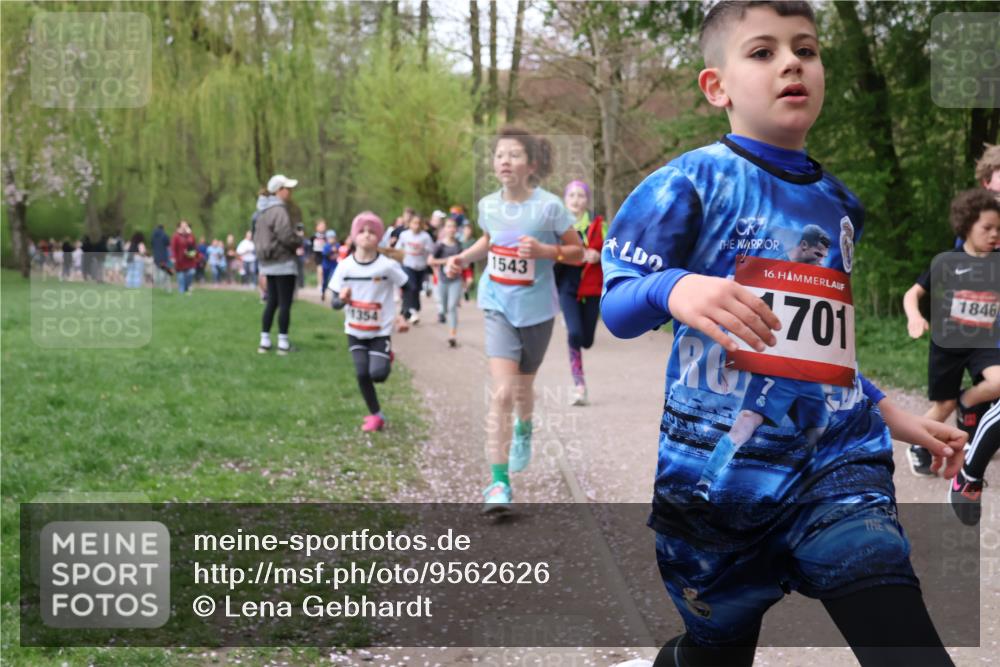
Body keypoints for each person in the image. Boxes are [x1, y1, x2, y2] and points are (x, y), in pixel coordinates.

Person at [600, 3, 968, 666]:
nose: (792, 62)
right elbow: (619, 306)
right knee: (714, 654)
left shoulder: (839, 204)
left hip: (837, 470)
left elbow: (822, 357)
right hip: (720, 490)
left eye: (806, 48)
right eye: (762, 52)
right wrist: (675, 288)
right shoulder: (687, 184)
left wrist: (898, 418)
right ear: (718, 87)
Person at [445, 126, 584, 513]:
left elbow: (577, 252)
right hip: (497, 305)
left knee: (523, 391)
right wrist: (462, 258)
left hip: (537, 312)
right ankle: (498, 484)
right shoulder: (489, 204)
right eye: (500, 154)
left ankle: (525, 427)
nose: (505, 160)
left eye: (514, 155)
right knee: (503, 392)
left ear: (532, 164)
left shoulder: (550, 207)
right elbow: (489, 241)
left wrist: (545, 250)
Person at [693, 224, 834, 501]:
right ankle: (705, 484)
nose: (822, 260)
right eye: (818, 254)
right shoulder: (768, 267)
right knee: (746, 422)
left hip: (805, 372)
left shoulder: (818, 278)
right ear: (804, 246)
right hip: (775, 369)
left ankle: (807, 492)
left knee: (818, 430)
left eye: (825, 256)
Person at [902, 189, 1000, 475]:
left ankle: (967, 401)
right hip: (948, 346)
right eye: (987, 228)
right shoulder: (947, 261)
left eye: (999, 229)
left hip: (983, 342)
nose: (995, 234)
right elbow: (913, 293)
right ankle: (917, 443)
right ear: (967, 225)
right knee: (942, 407)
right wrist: (915, 317)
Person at [329, 212, 410, 432]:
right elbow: (333, 302)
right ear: (354, 237)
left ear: (379, 237)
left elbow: (408, 285)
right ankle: (376, 415)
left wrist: (404, 314)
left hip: (380, 331)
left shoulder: (386, 266)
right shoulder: (345, 266)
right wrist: (341, 299)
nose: (366, 235)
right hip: (354, 329)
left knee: (378, 375)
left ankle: (385, 357)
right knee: (361, 373)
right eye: (362, 231)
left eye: (372, 232)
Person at [556, 180, 606, 406]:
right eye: (572, 196)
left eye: (581, 196)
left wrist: (598, 255)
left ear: (587, 200)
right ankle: (579, 386)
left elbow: (612, 250)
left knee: (587, 340)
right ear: (565, 201)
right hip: (567, 286)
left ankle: (574, 326)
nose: (576, 200)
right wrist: (568, 255)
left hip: (592, 287)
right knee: (574, 334)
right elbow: (552, 254)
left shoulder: (598, 225)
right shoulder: (558, 226)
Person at [254, 174, 302, 354]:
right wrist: (298, 240)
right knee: (285, 303)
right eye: (287, 189)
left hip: (268, 262)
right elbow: (285, 236)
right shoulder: (279, 210)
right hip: (283, 262)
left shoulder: (262, 211)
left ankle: (264, 340)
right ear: (278, 191)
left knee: (272, 301)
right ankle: (283, 342)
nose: (290, 192)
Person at [428, 216, 464, 347]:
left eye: (454, 227)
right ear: (445, 229)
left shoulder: (459, 245)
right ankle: (444, 319)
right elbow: (430, 261)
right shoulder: (440, 245)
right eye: (449, 226)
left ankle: (452, 335)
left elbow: (464, 262)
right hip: (443, 280)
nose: (451, 229)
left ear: (456, 229)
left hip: (456, 280)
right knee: (444, 308)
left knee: (452, 307)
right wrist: (447, 261)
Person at [397, 214, 435, 323]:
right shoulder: (404, 235)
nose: (416, 226)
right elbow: (398, 248)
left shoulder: (425, 236)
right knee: (411, 287)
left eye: (419, 223)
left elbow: (431, 250)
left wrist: (424, 249)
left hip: (421, 266)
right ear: (409, 224)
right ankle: (411, 311)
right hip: (407, 265)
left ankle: (407, 309)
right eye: (414, 223)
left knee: (417, 290)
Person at [170, 220, 198, 294]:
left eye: (186, 225)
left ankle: (186, 287)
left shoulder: (190, 236)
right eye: (183, 225)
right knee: (181, 279)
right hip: (180, 261)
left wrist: (190, 234)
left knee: (191, 272)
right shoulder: (176, 236)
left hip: (189, 260)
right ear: (179, 227)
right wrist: (173, 257)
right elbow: (173, 247)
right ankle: (182, 293)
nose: (184, 227)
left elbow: (193, 245)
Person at [150, 224, 172, 291]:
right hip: (163, 257)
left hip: (156, 257)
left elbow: (152, 244)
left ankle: (157, 286)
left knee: (156, 272)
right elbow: (168, 243)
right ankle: (166, 288)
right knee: (165, 273)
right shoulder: (164, 235)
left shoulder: (153, 235)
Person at [320, 229, 339, 300]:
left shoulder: (337, 245)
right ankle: (323, 292)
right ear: (327, 239)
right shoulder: (326, 246)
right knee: (325, 281)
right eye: (330, 238)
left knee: (333, 279)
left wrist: (336, 251)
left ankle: (334, 295)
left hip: (334, 266)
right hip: (326, 266)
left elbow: (340, 253)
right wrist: (331, 250)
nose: (332, 239)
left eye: (333, 238)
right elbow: (325, 255)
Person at [313, 219, 328, 290]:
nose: (323, 227)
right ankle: (319, 284)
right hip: (318, 254)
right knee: (320, 269)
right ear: (317, 227)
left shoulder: (327, 236)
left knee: (325, 269)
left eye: (324, 226)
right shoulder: (314, 236)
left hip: (325, 254)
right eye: (321, 226)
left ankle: (325, 283)